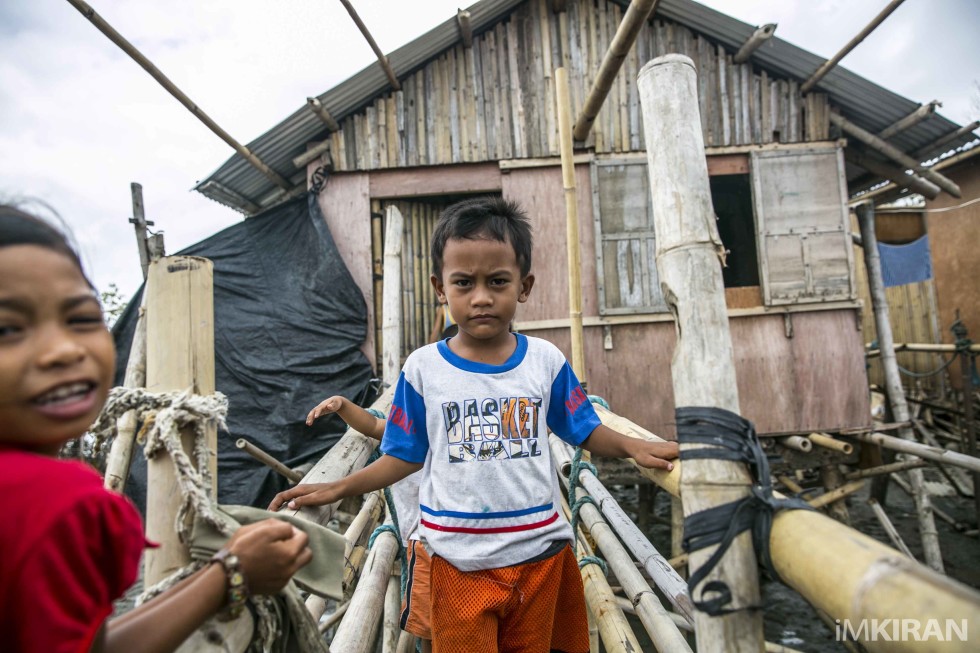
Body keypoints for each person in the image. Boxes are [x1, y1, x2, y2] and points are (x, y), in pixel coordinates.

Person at [271, 197, 679, 653]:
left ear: (524, 286)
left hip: (540, 553)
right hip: (457, 561)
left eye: (497, 282)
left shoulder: (544, 361)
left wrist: (632, 447)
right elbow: (405, 454)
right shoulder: (423, 368)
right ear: (440, 288)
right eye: (464, 283)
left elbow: (581, 428)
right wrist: (335, 488)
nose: (481, 297)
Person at [0, 203, 313, 653]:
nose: (61, 350)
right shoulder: (55, 502)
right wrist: (233, 575)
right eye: (9, 328)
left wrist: (224, 568)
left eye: (82, 319)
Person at [305, 396, 433, 653]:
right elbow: (374, 424)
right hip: (424, 547)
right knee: (429, 630)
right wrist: (342, 405)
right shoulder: (420, 425)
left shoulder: (442, 427)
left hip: (445, 545)